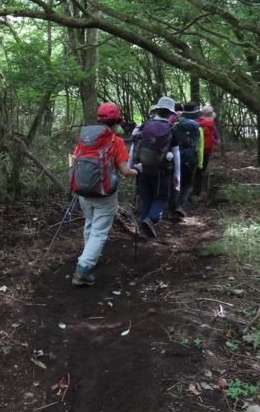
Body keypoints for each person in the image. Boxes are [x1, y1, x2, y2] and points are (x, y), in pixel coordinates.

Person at [71, 102, 142, 287]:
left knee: (90, 224)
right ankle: (83, 269)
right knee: (100, 231)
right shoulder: (115, 141)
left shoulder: (84, 139)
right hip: (105, 193)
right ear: (116, 121)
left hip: (83, 191)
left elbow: (74, 159)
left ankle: (88, 256)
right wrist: (138, 170)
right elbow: (125, 171)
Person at [131, 96, 181, 239]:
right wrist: (177, 175)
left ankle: (142, 230)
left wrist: (130, 167)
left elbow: (134, 147)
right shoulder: (172, 128)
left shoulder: (145, 125)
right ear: (170, 113)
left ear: (157, 109)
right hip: (162, 171)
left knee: (145, 198)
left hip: (143, 168)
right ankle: (151, 219)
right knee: (161, 197)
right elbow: (176, 154)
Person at [168, 101, 202, 218]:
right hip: (190, 158)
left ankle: (171, 209)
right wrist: (199, 162)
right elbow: (199, 146)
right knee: (186, 183)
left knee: (174, 182)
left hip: (174, 157)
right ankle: (181, 206)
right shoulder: (197, 127)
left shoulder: (176, 124)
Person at [194, 105, 221, 198]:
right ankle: (196, 193)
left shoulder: (195, 122)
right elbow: (218, 142)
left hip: (193, 150)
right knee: (200, 171)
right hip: (205, 152)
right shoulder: (211, 125)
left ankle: (186, 192)